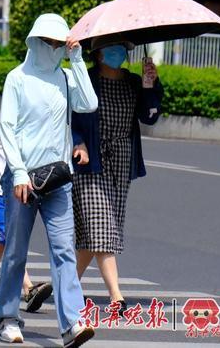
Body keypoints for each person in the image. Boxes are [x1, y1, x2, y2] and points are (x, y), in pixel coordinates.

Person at [0, 14, 98, 347]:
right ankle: (6, 318)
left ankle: (73, 323)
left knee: (65, 251)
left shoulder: (66, 78)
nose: (52, 48)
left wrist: (78, 58)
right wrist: (19, 172)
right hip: (22, 179)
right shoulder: (17, 78)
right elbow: (7, 127)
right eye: (46, 42)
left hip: (58, 180)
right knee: (15, 252)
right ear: (33, 41)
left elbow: (89, 104)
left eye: (57, 43)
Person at [71, 42, 163, 316]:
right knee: (103, 224)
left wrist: (150, 85)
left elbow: (150, 118)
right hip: (89, 160)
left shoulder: (134, 82)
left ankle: (66, 283)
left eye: (122, 48)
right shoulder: (84, 79)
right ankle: (116, 295)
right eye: (112, 47)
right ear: (97, 52)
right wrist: (78, 142)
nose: (118, 53)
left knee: (97, 232)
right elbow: (67, 116)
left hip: (122, 160)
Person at [0, 117, 53, 313]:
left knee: (0, 238)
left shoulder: (36, 122)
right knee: (7, 235)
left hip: (21, 187)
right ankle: (28, 288)